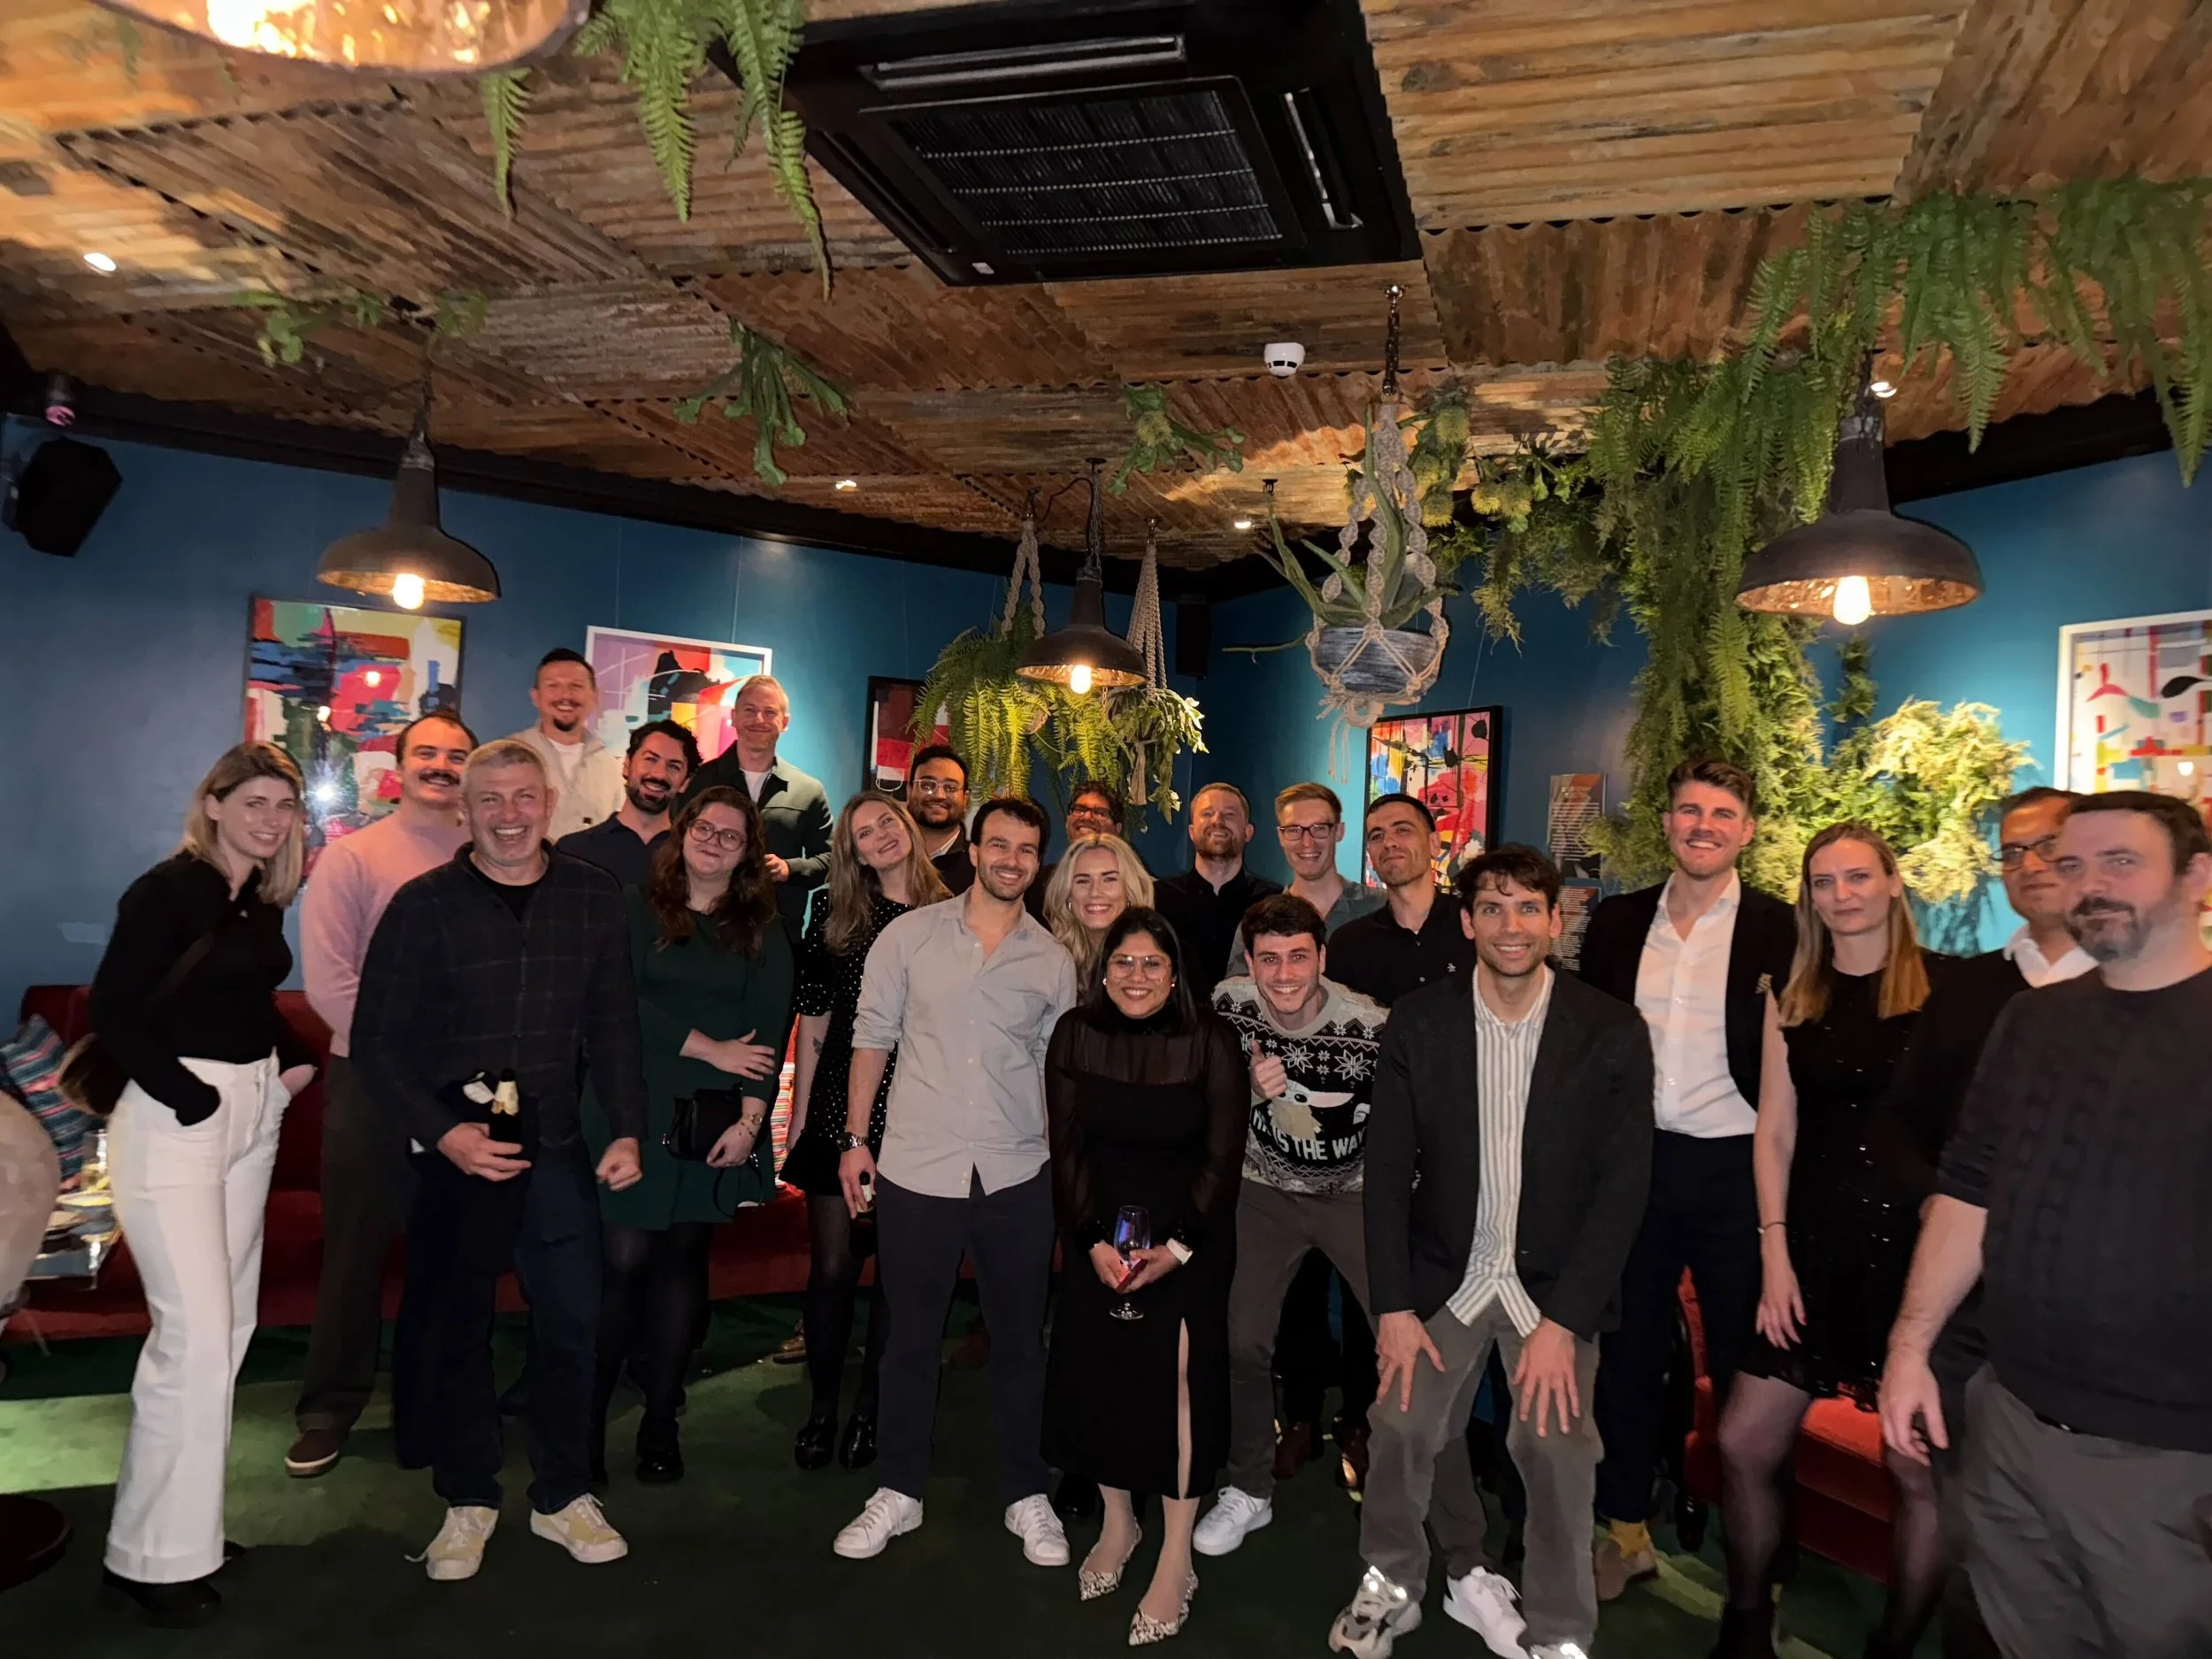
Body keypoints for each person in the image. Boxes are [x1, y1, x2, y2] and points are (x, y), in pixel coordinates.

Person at [1879, 791, 2212, 1659]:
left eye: (2120, 862)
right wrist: (1910, 1349)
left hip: (2166, 1461)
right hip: (2008, 1423)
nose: (2089, 884)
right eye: (2073, 865)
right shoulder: (2032, 1022)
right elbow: (1969, 1188)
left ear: (2196, 878)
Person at [1330, 845, 1653, 1659]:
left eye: (1528, 907)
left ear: (1555, 919)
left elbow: (1622, 1190)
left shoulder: (1610, 1029)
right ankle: (1392, 1583)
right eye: (1493, 908)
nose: (1512, 925)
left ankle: (1561, 1630)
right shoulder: (1420, 1020)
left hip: (1552, 1290)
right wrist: (1394, 1308)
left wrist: (1565, 1323)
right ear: (1468, 921)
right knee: (1400, 1423)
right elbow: (1386, 1173)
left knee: (1555, 1448)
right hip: (1449, 1276)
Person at [351, 738, 647, 1583]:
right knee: (458, 1330)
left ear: (548, 803)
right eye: (490, 799)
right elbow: (376, 1042)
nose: (508, 815)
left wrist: (626, 1128)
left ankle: (561, 1493)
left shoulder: (594, 895)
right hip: (453, 1153)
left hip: (554, 1147)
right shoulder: (421, 906)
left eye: (523, 797)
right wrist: (444, 1132)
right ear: (464, 809)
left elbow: (614, 1023)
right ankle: (468, 1496)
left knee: (573, 1327)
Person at [92, 742, 320, 1627]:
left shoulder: (259, 897)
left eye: (284, 806)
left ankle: (185, 1534)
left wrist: (291, 1066)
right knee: (192, 1338)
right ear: (214, 803)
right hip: (173, 1122)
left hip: (249, 1117)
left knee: (227, 1331)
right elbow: (114, 1010)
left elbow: (247, 1002)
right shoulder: (166, 890)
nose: (271, 819)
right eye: (254, 801)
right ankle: (149, 1560)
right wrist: (192, 1098)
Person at [1711, 824, 1949, 1658]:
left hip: (1913, 1255)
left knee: (1916, 1468)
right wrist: (1774, 1249)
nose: (1841, 894)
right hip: (1809, 1247)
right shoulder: (1794, 994)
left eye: (1857, 876)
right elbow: (1773, 1130)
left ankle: (1896, 1641)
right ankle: (1747, 1621)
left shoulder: (1947, 992)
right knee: (1743, 1440)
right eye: (1823, 881)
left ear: (1892, 882)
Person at [1871, 787, 2092, 1659]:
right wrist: (1939, 1200)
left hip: (2079, 1317)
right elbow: (1900, 1119)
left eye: (2049, 846)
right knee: (1955, 1500)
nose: (2029, 866)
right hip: (1962, 1302)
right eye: (2012, 852)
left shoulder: (2131, 989)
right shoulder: (1966, 987)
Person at [829, 797, 1078, 1568]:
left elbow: (1054, 1069)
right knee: (908, 1339)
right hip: (917, 1167)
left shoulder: (1052, 959)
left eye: (1026, 849)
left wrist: (1059, 1165)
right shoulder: (907, 937)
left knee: (1020, 1343)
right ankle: (898, 1488)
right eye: (998, 844)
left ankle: (1026, 1492)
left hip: (1017, 1172)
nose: (1011, 859)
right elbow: (872, 1037)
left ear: (1038, 861)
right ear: (971, 848)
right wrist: (855, 1140)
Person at [1576, 757, 1796, 1599]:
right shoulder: (1617, 922)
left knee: (1747, 1365)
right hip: (1637, 1163)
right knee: (1627, 1354)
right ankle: (1626, 1528)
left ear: (1747, 830)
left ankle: (1759, 1552)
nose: (1703, 825)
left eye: (1722, 813)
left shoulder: (1781, 928)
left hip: (1739, 1168)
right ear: (1666, 822)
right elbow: (1587, 1049)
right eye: (1690, 810)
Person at [1044, 908, 1248, 1644]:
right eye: (1123, 962)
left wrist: (1178, 1246)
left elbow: (1223, 1154)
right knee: (1102, 1377)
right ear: (1103, 972)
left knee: (1180, 1386)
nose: (1136, 976)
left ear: (1175, 973)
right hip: (1099, 1234)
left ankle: (1175, 1555)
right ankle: (1120, 1523)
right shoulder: (1075, 1033)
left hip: (1190, 1238)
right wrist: (1091, 1239)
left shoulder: (1211, 1039)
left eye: (1152, 963)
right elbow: (1065, 1145)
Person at [586, 786, 793, 1485]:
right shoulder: (634, 905)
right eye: (705, 827)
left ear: (747, 853)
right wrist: (708, 1046)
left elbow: (769, 1033)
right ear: (684, 832)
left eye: (731, 836)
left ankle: (659, 1421)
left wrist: (751, 1122)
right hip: (629, 1107)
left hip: (710, 1122)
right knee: (621, 1262)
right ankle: (586, 1420)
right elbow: (615, 999)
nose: (714, 841)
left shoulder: (762, 928)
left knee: (682, 1263)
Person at [288, 713, 475, 1481]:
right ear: (399, 765)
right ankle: (328, 1406)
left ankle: (436, 1402)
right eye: (426, 752)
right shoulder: (352, 857)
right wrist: (399, 1061)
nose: (441, 765)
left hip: (463, 1086)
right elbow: (330, 983)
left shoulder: (489, 855)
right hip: (369, 1080)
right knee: (355, 1249)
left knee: (453, 1250)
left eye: (456, 755)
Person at [1194, 894, 1388, 1559]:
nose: (1283, 974)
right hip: (1263, 1193)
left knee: (1404, 1344)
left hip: (1352, 1196)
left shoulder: (1371, 1025)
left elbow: (1413, 1121)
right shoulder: (1227, 1006)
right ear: (1249, 963)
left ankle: (1404, 1483)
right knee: (1242, 1341)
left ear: (1322, 958)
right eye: (1269, 959)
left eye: (1298, 957)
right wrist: (1246, 1087)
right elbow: (1196, 1092)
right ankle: (1249, 1486)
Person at [780, 792, 950, 1471]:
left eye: (887, 821)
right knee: (832, 1270)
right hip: (838, 1107)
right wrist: (798, 1121)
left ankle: (870, 1412)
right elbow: (815, 1020)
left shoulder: (954, 913)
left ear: (907, 825)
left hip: (920, 1109)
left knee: (897, 1278)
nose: (880, 836)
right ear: (850, 851)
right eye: (862, 833)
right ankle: (822, 1409)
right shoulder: (834, 911)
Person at [683, 674, 833, 942]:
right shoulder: (699, 782)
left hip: (779, 934)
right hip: (704, 928)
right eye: (750, 710)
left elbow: (832, 860)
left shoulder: (809, 791)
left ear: (784, 722)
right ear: (734, 716)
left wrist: (789, 869)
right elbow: (675, 848)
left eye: (769, 712)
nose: (759, 719)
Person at [1326, 794, 1472, 1008]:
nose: (1389, 843)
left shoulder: (1474, 926)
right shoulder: (1348, 945)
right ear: (1370, 855)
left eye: (1402, 830)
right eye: (1377, 836)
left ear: (1433, 843)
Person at [1225, 782, 1381, 975]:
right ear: (1281, 836)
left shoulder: (1381, 908)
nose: (1307, 842)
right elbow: (1237, 991)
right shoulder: (1257, 921)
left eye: (1319, 828)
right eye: (1294, 830)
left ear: (1339, 832)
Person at [1155, 783, 1281, 987]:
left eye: (1229, 815)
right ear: (1191, 831)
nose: (1217, 821)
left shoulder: (1273, 900)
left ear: (1248, 832)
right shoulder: (1158, 898)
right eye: (1207, 814)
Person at [556, 719, 698, 889]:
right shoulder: (572, 852)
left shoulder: (695, 858)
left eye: (673, 767)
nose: (659, 774)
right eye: (651, 759)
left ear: (685, 783)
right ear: (627, 765)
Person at [509, 648, 622, 841]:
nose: (565, 696)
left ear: (594, 696)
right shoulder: (508, 755)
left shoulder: (611, 768)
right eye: (553, 686)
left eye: (576, 686)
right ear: (536, 696)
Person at [1042, 832, 1156, 987]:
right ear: (1068, 895)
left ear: (1130, 891)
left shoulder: (1158, 960)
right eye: (1083, 881)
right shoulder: (1049, 963)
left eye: (1109, 879)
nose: (1095, 892)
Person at [1030, 780, 1128, 921]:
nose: (1087, 817)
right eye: (1080, 810)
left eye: (1100, 813)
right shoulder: (1039, 885)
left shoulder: (1132, 882)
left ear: (1117, 829)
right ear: (1067, 822)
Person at [906, 743, 974, 895]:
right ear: (909, 792)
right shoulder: (885, 856)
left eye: (950, 788)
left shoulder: (981, 867)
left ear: (966, 799)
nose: (939, 795)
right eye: (927, 785)